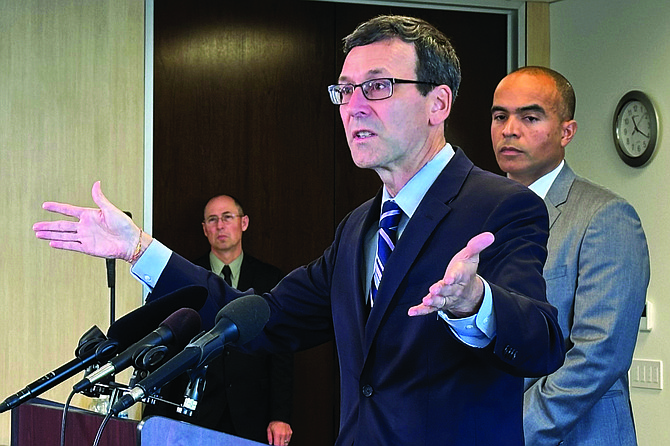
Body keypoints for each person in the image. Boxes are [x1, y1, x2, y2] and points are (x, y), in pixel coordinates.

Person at [33, 16, 565, 445]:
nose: (354, 105)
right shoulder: (359, 229)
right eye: (346, 90)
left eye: (377, 87)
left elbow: (543, 344)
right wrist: (139, 249)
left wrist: (477, 303)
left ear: (439, 103)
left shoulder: (502, 207)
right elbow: (258, 317)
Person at [490, 66, 650, 445]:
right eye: (500, 116)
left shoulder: (606, 217)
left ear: (567, 131)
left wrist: (511, 429)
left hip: (571, 436)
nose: (509, 129)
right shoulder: (480, 213)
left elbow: (599, 356)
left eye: (530, 117)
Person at [142, 194, 293, 446]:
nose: (220, 226)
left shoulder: (270, 278)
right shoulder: (186, 277)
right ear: (204, 229)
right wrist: (157, 415)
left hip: (252, 414)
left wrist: (280, 416)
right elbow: (170, 346)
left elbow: (282, 352)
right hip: (195, 412)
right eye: (212, 220)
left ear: (244, 222)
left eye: (227, 217)